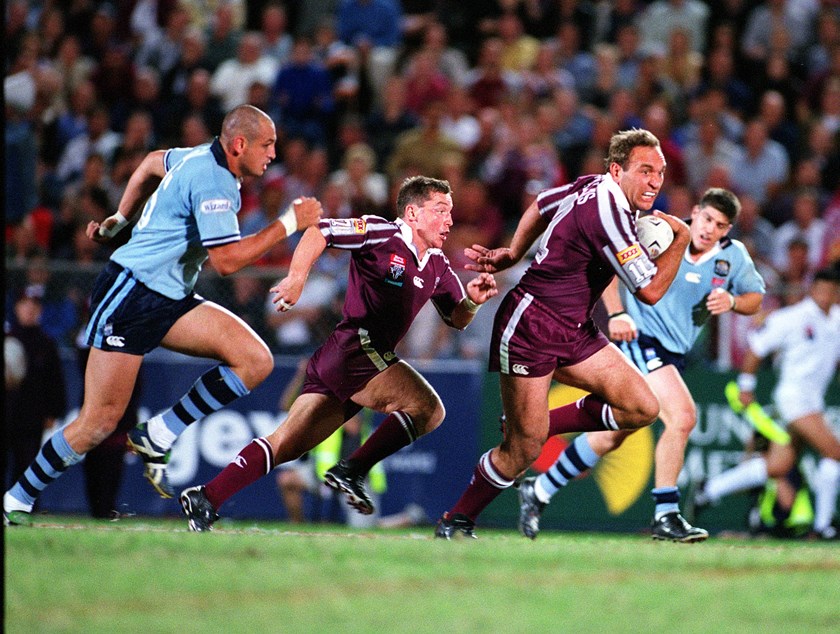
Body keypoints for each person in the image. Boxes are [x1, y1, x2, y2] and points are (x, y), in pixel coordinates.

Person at [3, 104, 323, 526]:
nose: (272, 154)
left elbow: (152, 162)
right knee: (98, 420)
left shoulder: (197, 155)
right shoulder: (215, 181)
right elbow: (226, 261)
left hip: (168, 296)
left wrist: (121, 216)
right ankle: (16, 499)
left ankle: (159, 433)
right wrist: (289, 222)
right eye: (267, 145)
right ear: (239, 144)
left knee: (255, 360)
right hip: (130, 294)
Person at [178, 175, 499, 531]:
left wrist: (474, 300)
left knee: (285, 444)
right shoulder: (380, 232)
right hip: (355, 349)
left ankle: (206, 498)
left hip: (350, 358)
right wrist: (297, 278)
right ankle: (352, 470)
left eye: (450, 212)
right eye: (441, 211)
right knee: (428, 409)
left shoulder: (437, 263)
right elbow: (319, 232)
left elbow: (456, 318)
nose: (450, 221)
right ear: (412, 213)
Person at [435, 128, 691, 539]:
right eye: (645, 171)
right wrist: (682, 239)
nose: (655, 182)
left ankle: (538, 424)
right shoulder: (609, 215)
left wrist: (514, 252)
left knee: (641, 407)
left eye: (659, 173)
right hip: (531, 326)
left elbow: (541, 204)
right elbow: (651, 291)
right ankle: (456, 520)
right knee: (523, 449)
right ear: (617, 170)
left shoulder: (594, 185)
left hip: (574, 329)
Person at [516, 187, 766, 542]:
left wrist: (733, 301)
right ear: (695, 211)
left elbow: (756, 298)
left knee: (612, 434)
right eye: (707, 219)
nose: (710, 229)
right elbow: (612, 264)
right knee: (682, 417)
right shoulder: (662, 233)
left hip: (673, 352)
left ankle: (539, 488)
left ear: (728, 230)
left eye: (720, 225)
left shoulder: (733, 257)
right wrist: (617, 313)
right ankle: (666, 514)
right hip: (641, 340)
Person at [691, 268, 840, 540]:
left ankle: (710, 489)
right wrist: (746, 385)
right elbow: (757, 347)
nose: (826, 295)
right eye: (821, 289)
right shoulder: (792, 318)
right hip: (794, 399)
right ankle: (823, 527)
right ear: (812, 290)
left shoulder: (837, 320)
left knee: (779, 465)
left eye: (832, 291)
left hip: (813, 401)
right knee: (834, 452)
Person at [4, 286, 67, 492]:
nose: (30, 309)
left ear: (40, 310)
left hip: (32, 418)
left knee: (28, 467)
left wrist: (54, 412)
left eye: (34, 305)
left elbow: (55, 382)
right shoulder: (8, 339)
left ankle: (24, 506)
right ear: (16, 307)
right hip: (7, 412)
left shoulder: (46, 344)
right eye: (25, 304)